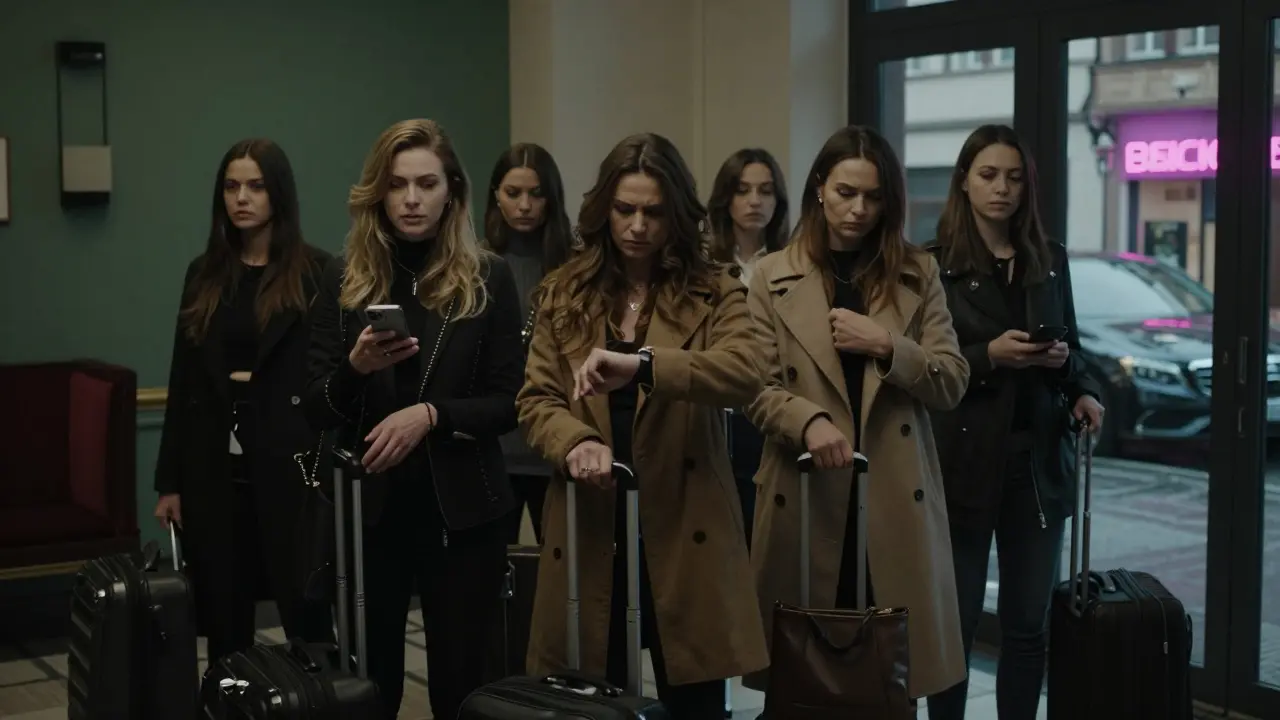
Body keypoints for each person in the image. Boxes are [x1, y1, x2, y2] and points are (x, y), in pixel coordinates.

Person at [517, 132, 769, 720]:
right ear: (604, 208)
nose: (637, 225)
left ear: (676, 214)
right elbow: (536, 400)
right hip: (593, 522)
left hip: (684, 525)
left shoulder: (715, 288)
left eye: (653, 212)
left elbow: (746, 371)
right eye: (624, 209)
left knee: (695, 702)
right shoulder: (563, 292)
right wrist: (575, 440)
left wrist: (644, 363)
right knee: (591, 699)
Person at [302, 119, 524, 720]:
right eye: (398, 185)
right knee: (372, 687)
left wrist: (431, 414)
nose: (411, 199)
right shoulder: (342, 278)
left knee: (461, 686)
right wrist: (354, 368)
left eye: (427, 183)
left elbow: (511, 401)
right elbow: (317, 406)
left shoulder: (488, 276)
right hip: (371, 512)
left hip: (464, 509)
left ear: (452, 189)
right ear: (379, 192)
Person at [743, 125, 970, 703]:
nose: (859, 209)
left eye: (873, 197)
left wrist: (889, 346)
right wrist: (807, 420)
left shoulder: (918, 272)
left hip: (891, 494)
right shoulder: (771, 276)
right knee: (803, 670)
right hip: (806, 490)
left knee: (889, 671)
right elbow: (753, 385)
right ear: (820, 188)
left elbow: (952, 382)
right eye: (846, 192)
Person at [924, 124, 1104, 720]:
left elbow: (1075, 351)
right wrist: (987, 359)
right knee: (957, 621)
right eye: (988, 175)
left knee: (1029, 625)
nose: (1002, 189)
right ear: (965, 183)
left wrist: (1078, 382)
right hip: (964, 462)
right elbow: (924, 369)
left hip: (1037, 463)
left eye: (1014, 177)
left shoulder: (1048, 260)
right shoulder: (934, 266)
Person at [153, 139, 332, 663]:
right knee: (224, 619)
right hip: (213, 469)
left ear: (279, 193)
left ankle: (315, 701)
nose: (242, 198)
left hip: (289, 464)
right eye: (231, 187)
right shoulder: (203, 273)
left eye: (255, 186)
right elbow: (182, 380)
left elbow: (328, 379)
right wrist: (170, 481)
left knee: (305, 613)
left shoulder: (316, 272)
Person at [484, 142, 574, 544]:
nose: (524, 205)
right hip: (492, 445)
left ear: (552, 198)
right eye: (513, 193)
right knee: (486, 573)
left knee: (563, 572)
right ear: (495, 197)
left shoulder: (575, 267)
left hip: (558, 442)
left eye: (536, 194)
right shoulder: (474, 266)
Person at [706, 148, 791, 548]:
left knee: (765, 531)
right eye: (743, 190)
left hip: (771, 406)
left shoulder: (792, 263)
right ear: (727, 198)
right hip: (715, 410)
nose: (756, 201)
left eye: (766, 191)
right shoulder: (704, 265)